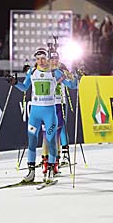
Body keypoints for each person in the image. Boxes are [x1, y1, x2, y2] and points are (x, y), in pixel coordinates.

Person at [6, 47, 74, 184]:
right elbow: (25, 87)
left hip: (49, 112)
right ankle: (31, 172)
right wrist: (14, 84)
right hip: (35, 114)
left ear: (48, 59)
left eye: (43, 58)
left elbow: (72, 85)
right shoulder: (32, 71)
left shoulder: (55, 72)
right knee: (31, 142)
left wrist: (76, 76)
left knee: (51, 142)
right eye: (37, 59)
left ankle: (50, 170)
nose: (40, 61)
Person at [41, 48, 78, 176]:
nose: (55, 61)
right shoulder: (45, 71)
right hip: (46, 105)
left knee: (56, 134)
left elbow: (72, 86)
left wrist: (75, 77)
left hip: (59, 105)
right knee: (46, 135)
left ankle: (55, 163)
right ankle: (45, 163)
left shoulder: (59, 71)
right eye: (53, 59)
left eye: (57, 59)